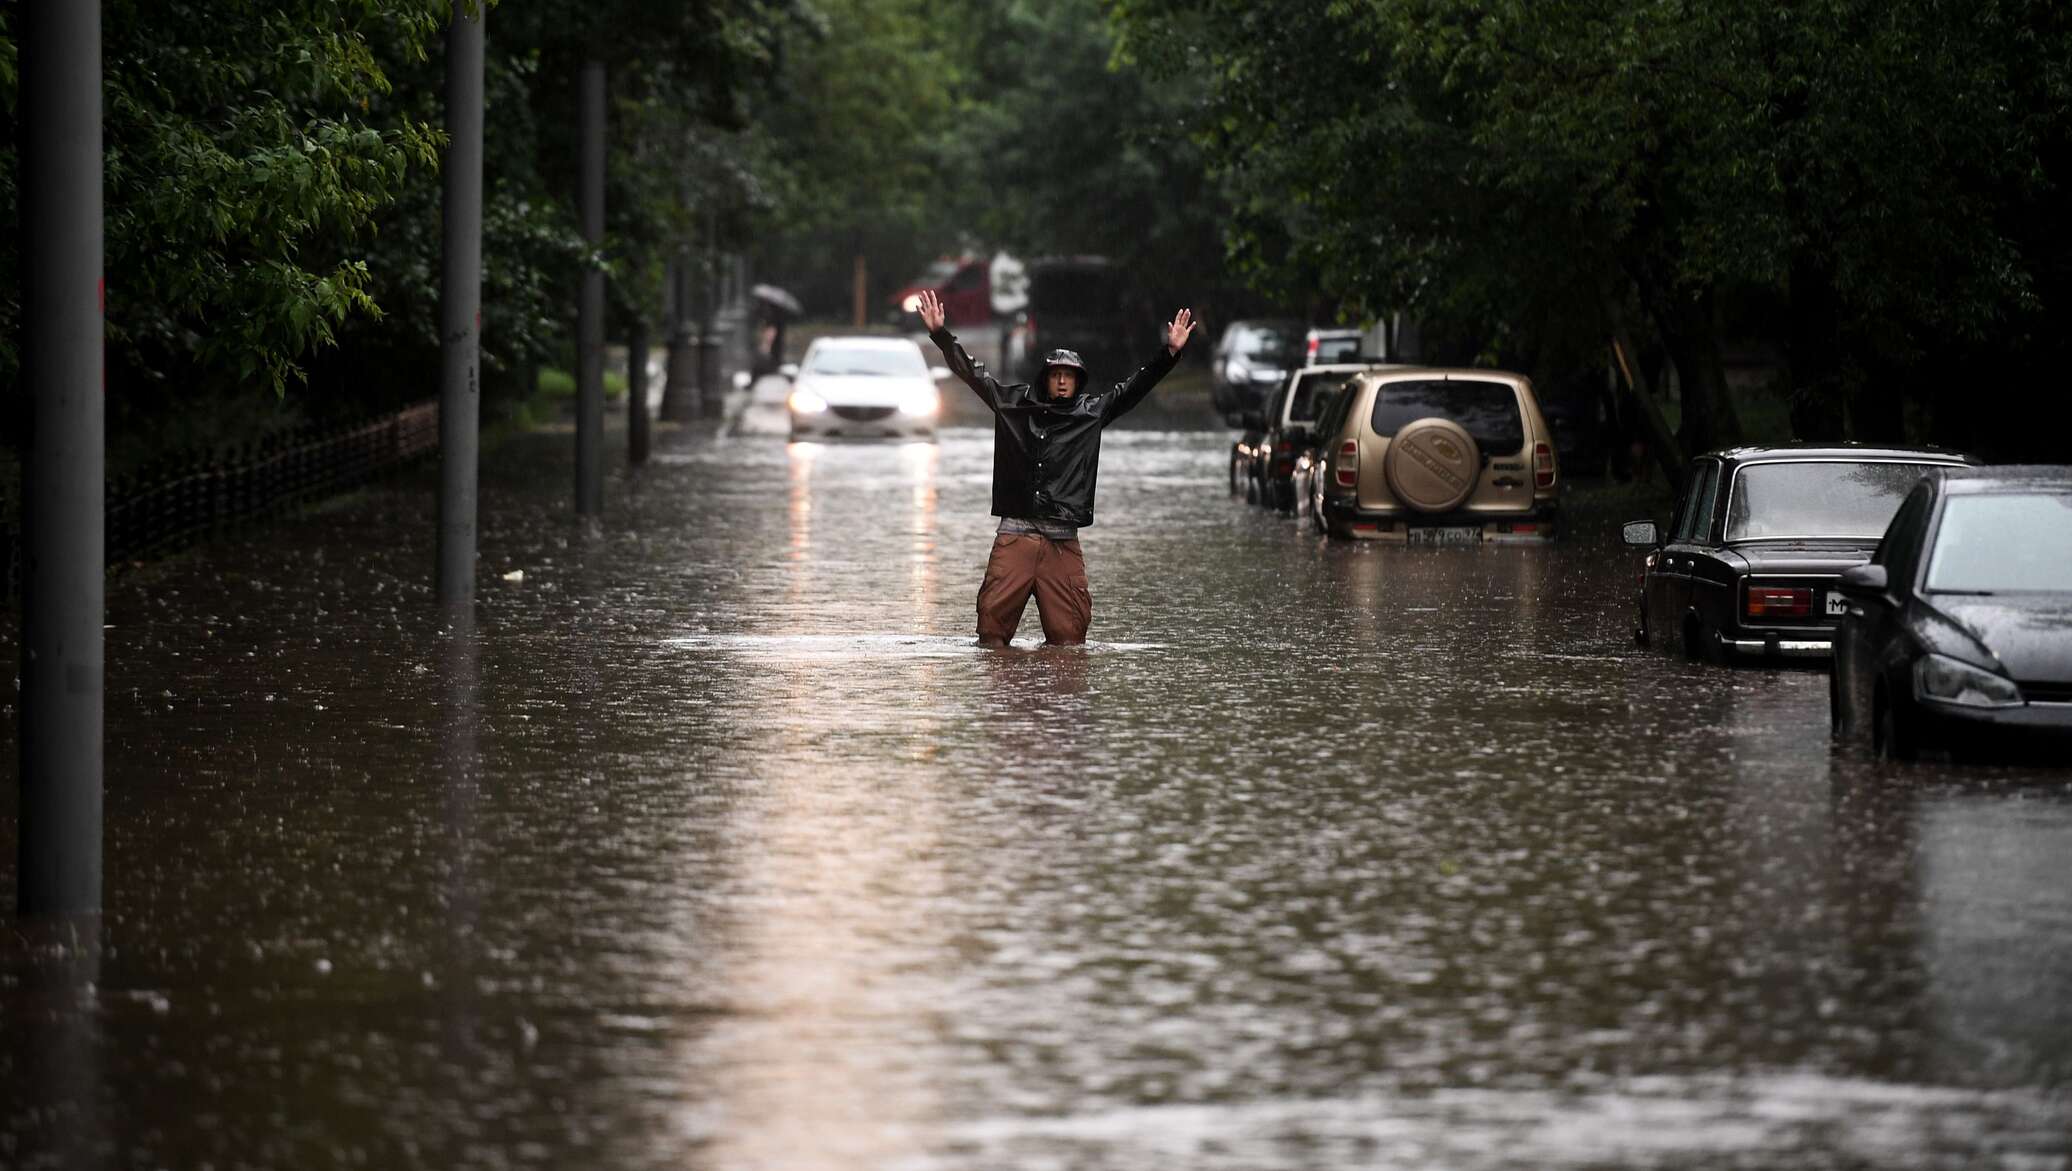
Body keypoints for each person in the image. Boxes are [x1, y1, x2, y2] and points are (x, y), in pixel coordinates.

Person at [916, 289, 1196, 647]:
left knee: (1070, 641)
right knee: (991, 636)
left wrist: (1170, 353)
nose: (1063, 381)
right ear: (1045, 377)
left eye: (1070, 375)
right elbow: (974, 374)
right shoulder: (1013, 404)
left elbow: (1132, 390)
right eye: (1056, 374)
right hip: (1016, 535)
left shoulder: (1091, 412)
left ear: (1079, 380)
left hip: (1062, 542)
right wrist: (941, 335)